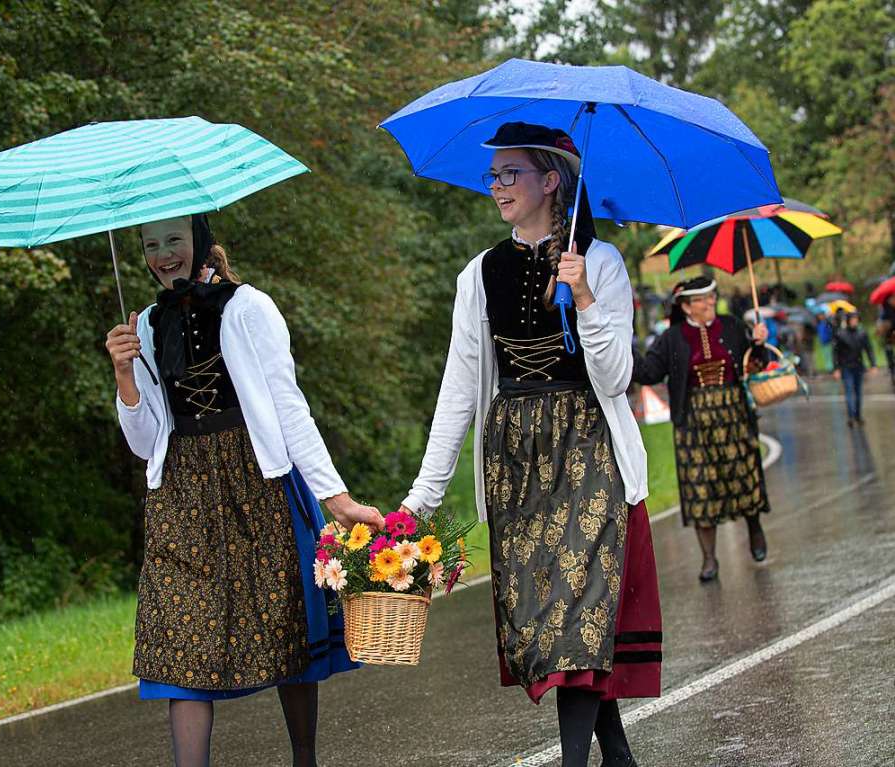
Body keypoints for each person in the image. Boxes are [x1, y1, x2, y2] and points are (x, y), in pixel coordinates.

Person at [397, 122, 661, 767]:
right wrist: (420, 499)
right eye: (493, 176)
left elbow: (616, 377)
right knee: (547, 622)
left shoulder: (599, 261)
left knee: (577, 613)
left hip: (589, 448)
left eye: (509, 173)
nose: (496, 186)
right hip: (515, 458)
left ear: (551, 180)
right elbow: (459, 388)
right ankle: (616, 752)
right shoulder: (478, 274)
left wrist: (588, 297)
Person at [105, 213, 384, 767]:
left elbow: (288, 407)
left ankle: (304, 759)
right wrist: (124, 376)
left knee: (286, 628)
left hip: (256, 481)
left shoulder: (248, 307)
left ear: (199, 243)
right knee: (177, 642)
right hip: (182, 494)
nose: (163, 255)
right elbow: (145, 442)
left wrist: (337, 498)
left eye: (174, 241)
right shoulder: (145, 327)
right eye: (151, 245)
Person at [633, 277, 770, 582]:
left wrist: (759, 345)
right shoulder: (672, 338)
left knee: (743, 474)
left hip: (733, 412)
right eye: (701, 300)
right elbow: (648, 372)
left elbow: (755, 365)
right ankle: (709, 558)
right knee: (699, 486)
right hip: (694, 421)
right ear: (685, 306)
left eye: (711, 297)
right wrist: (621, 344)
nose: (710, 303)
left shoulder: (732, 326)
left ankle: (754, 527)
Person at [832, 311, 877, 426]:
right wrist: (836, 368)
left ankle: (858, 415)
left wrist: (873, 364)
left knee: (858, 392)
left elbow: (869, 349)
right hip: (846, 367)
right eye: (852, 319)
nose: (854, 321)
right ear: (847, 321)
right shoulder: (841, 334)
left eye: (856, 319)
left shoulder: (862, 333)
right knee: (849, 391)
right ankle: (851, 416)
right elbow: (836, 353)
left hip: (858, 366)